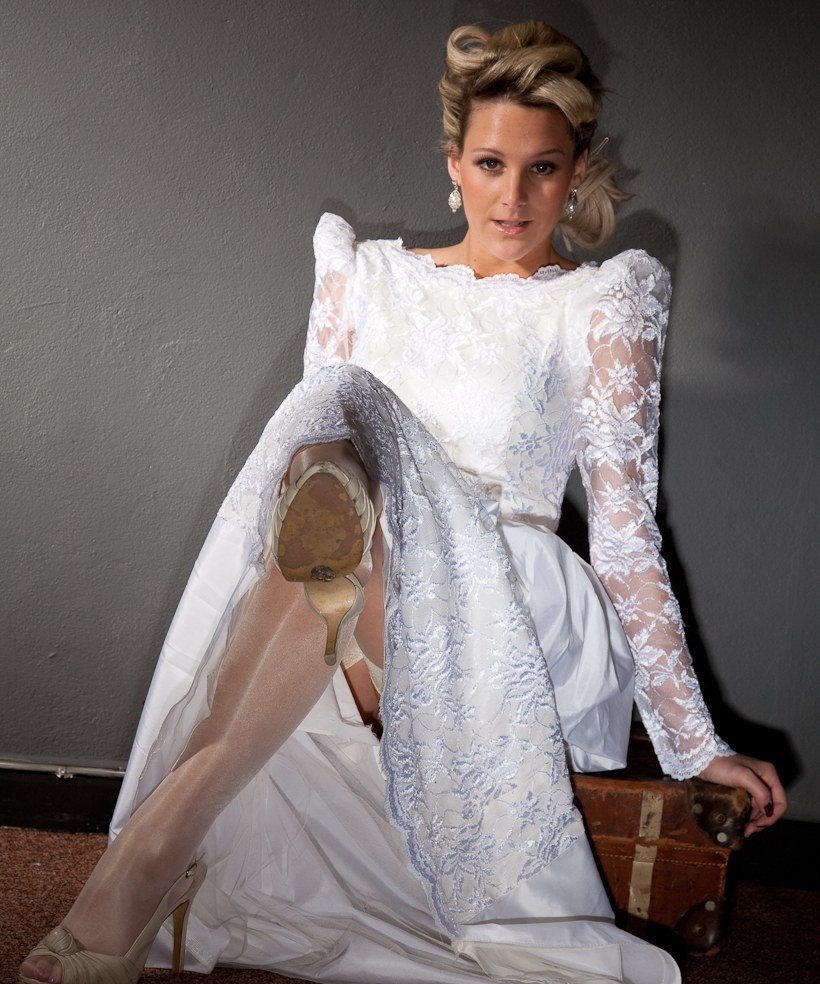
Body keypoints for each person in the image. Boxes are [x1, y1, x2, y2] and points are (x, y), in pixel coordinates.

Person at [20, 20, 786, 984]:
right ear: (454, 164)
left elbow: (627, 538)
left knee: (342, 443)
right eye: (492, 164)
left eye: (543, 169)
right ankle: (342, 503)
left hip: (514, 598)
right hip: (360, 585)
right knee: (329, 499)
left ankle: (143, 861)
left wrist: (695, 743)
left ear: (578, 171)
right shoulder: (368, 275)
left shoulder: (598, 303)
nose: (514, 196)